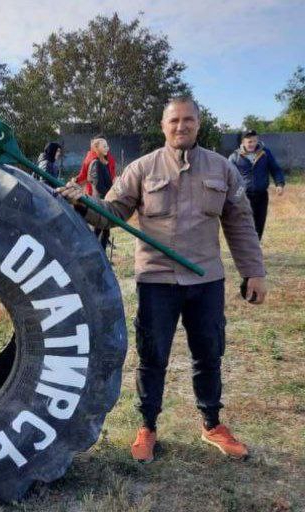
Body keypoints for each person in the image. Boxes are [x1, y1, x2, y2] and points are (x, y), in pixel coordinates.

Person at [58, 96, 266, 464]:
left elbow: (241, 223)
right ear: (163, 125)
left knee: (209, 354)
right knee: (152, 357)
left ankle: (212, 424)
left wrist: (254, 272)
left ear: (198, 125)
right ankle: (148, 427)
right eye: (174, 121)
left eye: (188, 120)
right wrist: (83, 203)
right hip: (156, 280)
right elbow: (112, 213)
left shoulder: (222, 169)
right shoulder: (141, 168)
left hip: (206, 281)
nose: (181, 127)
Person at [228, 130, 285, 240]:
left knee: (259, 223)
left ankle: (255, 246)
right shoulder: (235, 157)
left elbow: (275, 169)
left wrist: (279, 183)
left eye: (254, 141)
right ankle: (246, 248)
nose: (252, 144)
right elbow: (227, 176)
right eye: (249, 142)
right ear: (243, 142)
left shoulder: (265, 153)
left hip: (262, 195)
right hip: (243, 196)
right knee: (245, 223)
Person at [76, 135, 116, 249]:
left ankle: (98, 254)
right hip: (101, 201)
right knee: (101, 231)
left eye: (107, 145)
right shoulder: (95, 163)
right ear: (96, 148)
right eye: (104, 146)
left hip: (105, 200)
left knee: (103, 231)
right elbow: (97, 185)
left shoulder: (104, 162)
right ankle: (97, 254)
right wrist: (110, 194)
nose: (107, 148)